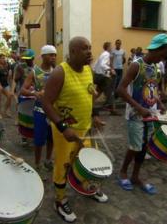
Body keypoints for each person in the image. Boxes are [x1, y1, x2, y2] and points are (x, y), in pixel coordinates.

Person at [42, 36, 107, 223]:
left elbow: (90, 94)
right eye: (85, 48)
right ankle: (60, 200)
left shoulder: (88, 70)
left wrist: (94, 114)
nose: (89, 52)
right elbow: (46, 102)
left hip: (85, 128)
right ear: (73, 52)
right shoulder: (60, 73)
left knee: (87, 160)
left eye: (90, 47)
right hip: (66, 132)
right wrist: (63, 127)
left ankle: (87, 187)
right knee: (63, 164)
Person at [116, 33, 167, 196]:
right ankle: (123, 172)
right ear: (157, 49)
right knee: (135, 146)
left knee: (143, 147)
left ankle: (135, 176)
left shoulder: (156, 68)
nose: (164, 56)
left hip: (149, 114)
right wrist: (139, 108)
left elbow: (151, 88)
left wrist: (159, 103)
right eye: (164, 52)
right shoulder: (136, 65)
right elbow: (120, 89)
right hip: (135, 115)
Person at [21, 45, 57, 178]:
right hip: (40, 110)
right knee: (39, 140)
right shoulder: (34, 72)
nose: (53, 57)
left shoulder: (57, 71)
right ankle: (37, 164)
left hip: (53, 111)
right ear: (43, 56)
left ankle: (48, 160)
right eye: (50, 55)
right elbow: (23, 90)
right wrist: (35, 93)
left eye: (54, 55)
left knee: (51, 138)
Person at [93, 42, 120, 115]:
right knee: (110, 92)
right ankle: (112, 110)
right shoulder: (107, 54)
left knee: (98, 92)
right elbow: (103, 65)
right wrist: (111, 70)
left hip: (99, 75)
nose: (111, 48)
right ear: (108, 47)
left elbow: (95, 65)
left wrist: (96, 72)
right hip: (104, 77)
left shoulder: (102, 54)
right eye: (110, 46)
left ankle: (89, 105)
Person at [0, 54, 13, 119]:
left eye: (4, 58)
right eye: (2, 58)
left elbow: (8, 76)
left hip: (5, 84)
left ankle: (5, 110)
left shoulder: (6, 66)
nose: (4, 59)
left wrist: (9, 74)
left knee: (9, 96)